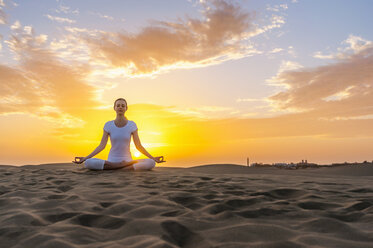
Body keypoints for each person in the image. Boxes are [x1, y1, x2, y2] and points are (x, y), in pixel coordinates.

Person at [72, 98, 165, 171]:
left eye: (123, 106)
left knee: (151, 163)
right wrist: (85, 158)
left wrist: (153, 158)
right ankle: (124, 167)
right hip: (112, 161)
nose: (120, 107)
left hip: (127, 160)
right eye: (118, 105)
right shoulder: (108, 125)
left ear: (126, 108)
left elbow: (138, 146)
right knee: (88, 163)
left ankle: (116, 167)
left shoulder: (132, 124)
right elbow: (101, 146)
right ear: (114, 108)